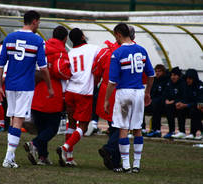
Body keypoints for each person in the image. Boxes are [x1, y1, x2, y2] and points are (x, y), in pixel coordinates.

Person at [0, 10, 53, 168]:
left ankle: (10, 156)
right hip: (25, 86)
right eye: (39, 22)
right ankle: (8, 158)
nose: (39, 25)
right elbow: (43, 68)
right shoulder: (37, 40)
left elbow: (0, 66)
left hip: (10, 85)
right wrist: (49, 86)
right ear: (34, 21)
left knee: (14, 119)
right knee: (18, 120)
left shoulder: (9, 38)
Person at [104, 23, 154, 173]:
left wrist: (106, 100)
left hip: (124, 93)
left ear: (119, 34)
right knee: (137, 128)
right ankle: (136, 165)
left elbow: (112, 81)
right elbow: (151, 75)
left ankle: (126, 165)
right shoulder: (142, 50)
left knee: (123, 129)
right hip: (139, 92)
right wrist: (148, 92)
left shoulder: (117, 53)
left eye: (115, 36)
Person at [23, 26, 72, 166]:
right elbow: (60, 72)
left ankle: (43, 157)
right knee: (52, 128)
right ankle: (34, 144)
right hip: (52, 93)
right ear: (65, 38)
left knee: (42, 128)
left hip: (36, 92)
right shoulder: (62, 52)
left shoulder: (41, 47)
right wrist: (69, 73)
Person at [56, 28, 100, 167]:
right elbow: (105, 57)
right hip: (84, 92)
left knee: (71, 123)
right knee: (83, 126)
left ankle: (69, 158)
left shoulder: (70, 53)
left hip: (70, 91)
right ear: (82, 36)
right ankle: (65, 147)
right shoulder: (93, 48)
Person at [92, 40, 121, 171]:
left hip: (105, 92)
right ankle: (109, 150)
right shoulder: (134, 51)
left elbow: (96, 71)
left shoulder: (105, 52)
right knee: (122, 128)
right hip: (121, 92)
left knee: (113, 126)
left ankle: (115, 162)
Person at [176, 69, 203, 140]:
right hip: (190, 107)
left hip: (198, 108)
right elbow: (184, 98)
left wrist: (186, 105)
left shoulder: (200, 86)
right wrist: (180, 103)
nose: (188, 80)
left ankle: (193, 133)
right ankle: (182, 132)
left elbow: (199, 101)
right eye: (187, 78)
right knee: (180, 108)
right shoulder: (186, 86)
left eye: (190, 78)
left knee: (194, 111)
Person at [162, 67, 186, 139]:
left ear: (178, 76)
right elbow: (165, 93)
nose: (173, 77)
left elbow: (184, 96)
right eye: (172, 75)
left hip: (181, 104)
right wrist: (166, 100)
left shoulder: (182, 84)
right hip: (170, 104)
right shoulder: (169, 83)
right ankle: (171, 131)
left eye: (175, 75)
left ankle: (182, 131)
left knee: (179, 107)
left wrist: (174, 101)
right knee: (167, 107)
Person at [146, 64, 168, 137]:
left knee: (156, 106)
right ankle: (142, 128)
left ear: (163, 72)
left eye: (159, 71)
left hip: (162, 104)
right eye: (156, 71)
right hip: (153, 102)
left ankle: (156, 130)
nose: (157, 73)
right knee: (140, 106)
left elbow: (165, 95)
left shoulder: (166, 81)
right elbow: (150, 92)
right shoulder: (153, 80)